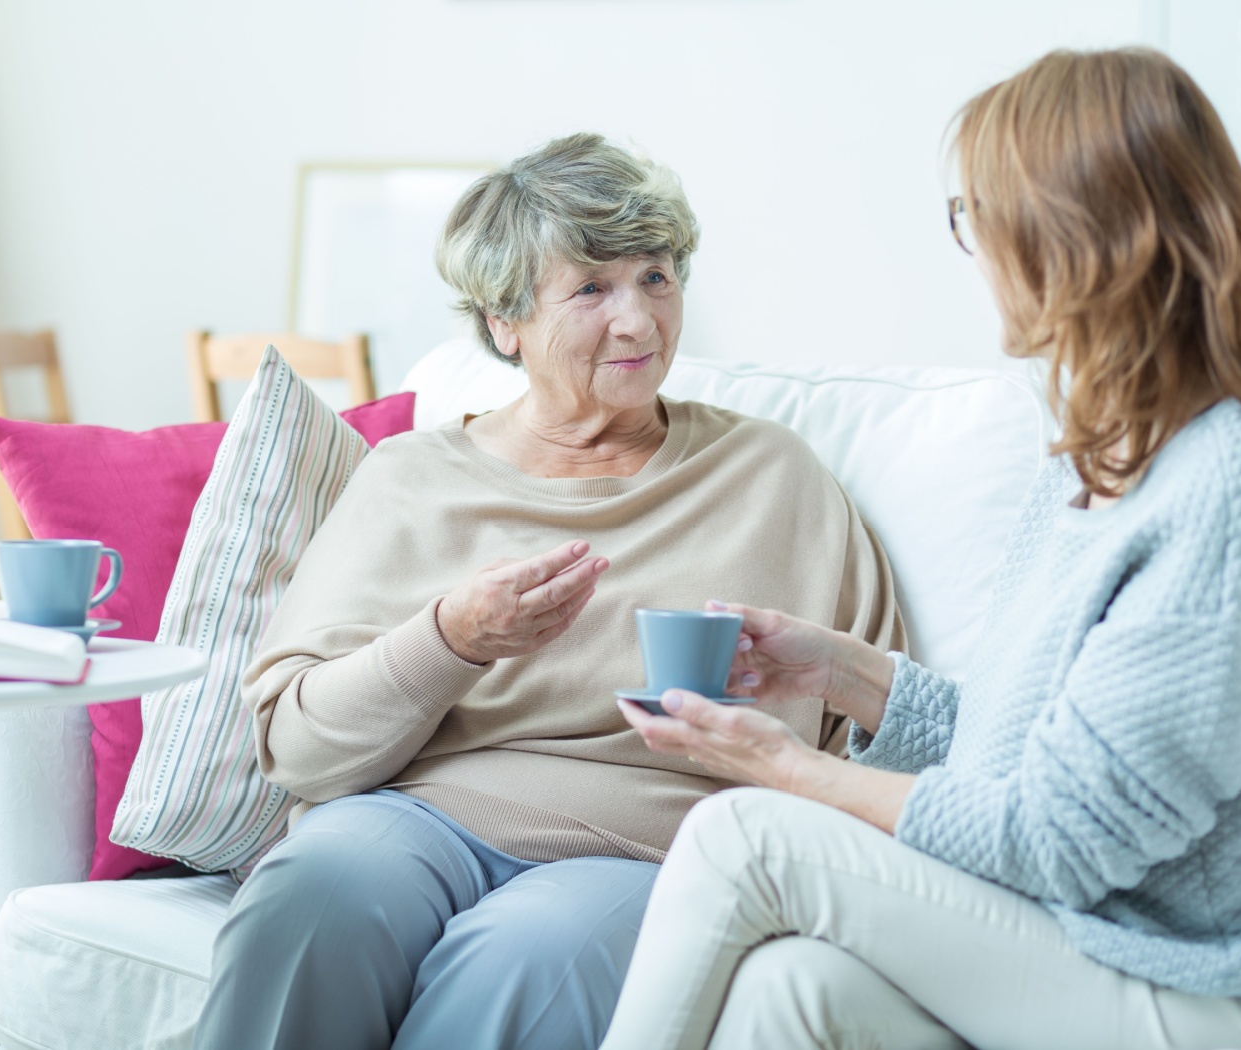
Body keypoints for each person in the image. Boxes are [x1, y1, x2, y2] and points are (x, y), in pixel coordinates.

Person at [602, 48, 1241, 1050]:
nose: (971, 246)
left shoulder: (1236, 486)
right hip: (1067, 940)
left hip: (1180, 990)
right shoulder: (1095, 462)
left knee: (743, 836)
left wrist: (786, 771)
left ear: (1067, 233)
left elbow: (1064, 836)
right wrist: (840, 673)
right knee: (789, 988)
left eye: (975, 214)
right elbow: (1018, 757)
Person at [191, 133, 904, 1050]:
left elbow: (886, 729)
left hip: (648, 844)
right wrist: (450, 638)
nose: (640, 322)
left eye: (656, 277)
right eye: (592, 288)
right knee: (310, 897)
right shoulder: (413, 480)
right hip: (419, 815)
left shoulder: (772, 476)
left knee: (526, 956)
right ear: (504, 322)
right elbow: (297, 746)